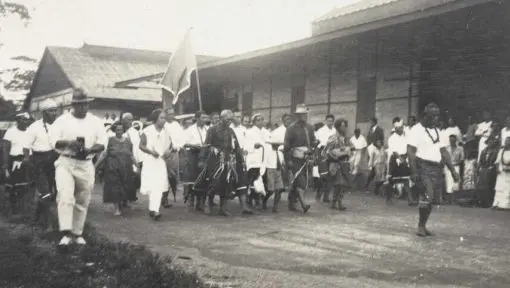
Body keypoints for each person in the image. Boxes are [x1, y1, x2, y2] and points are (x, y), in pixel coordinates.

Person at [51, 88, 107, 246]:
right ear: (73, 105)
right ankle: (66, 233)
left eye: (85, 104)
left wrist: (91, 149)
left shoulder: (95, 121)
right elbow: (53, 140)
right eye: (79, 104)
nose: (82, 107)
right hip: (66, 161)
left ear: (88, 105)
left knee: (83, 199)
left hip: (86, 163)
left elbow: (102, 142)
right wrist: (69, 143)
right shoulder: (62, 120)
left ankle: (77, 233)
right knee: (65, 195)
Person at [407, 103, 459, 237]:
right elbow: (411, 152)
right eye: (433, 116)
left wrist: (452, 170)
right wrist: (414, 171)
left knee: (431, 199)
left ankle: (423, 225)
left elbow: (444, 152)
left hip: (436, 168)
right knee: (427, 196)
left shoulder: (438, 131)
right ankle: (420, 226)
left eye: (437, 115)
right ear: (426, 116)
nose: (436, 118)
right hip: (422, 167)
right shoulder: (416, 130)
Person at [194, 110, 252, 216]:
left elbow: (237, 146)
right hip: (215, 160)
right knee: (214, 182)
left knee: (227, 183)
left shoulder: (231, 131)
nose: (230, 121)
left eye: (231, 119)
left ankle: (223, 208)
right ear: (221, 118)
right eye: (228, 119)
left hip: (228, 160)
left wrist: (241, 160)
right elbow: (207, 145)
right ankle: (207, 205)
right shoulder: (212, 130)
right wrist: (202, 159)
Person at [25, 99, 60, 226]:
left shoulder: (58, 126)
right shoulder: (34, 127)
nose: (54, 113)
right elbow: (26, 146)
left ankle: (35, 220)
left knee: (48, 192)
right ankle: (50, 225)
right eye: (51, 111)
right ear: (44, 113)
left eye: (55, 110)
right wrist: (27, 160)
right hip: (39, 161)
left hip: (54, 161)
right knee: (45, 193)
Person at [95, 122, 138, 216]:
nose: (119, 131)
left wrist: (137, 166)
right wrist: (96, 165)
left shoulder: (127, 141)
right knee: (115, 188)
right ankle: (116, 208)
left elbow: (131, 155)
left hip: (126, 168)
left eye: (121, 130)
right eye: (117, 130)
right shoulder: (110, 140)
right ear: (114, 130)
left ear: (124, 130)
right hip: (113, 167)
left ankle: (124, 203)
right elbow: (104, 154)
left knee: (125, 186)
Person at [139, 109, 171, 220]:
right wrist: (151, 152)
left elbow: (168, 146)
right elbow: (141, 146)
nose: (164, 120)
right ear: (155, 119)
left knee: (159, 185)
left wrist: (168, 152)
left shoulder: (166, 132)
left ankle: (154, 209)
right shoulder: (147, 131)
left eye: (165, 118)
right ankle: (153, 209)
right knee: (152, 185)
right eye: (161, 118)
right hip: (150, 161)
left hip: (160, 162)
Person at [284, 104, 315, 213]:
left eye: (305, 114)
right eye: (301, 115)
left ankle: (291, 202)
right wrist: (288, 160)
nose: (304, 116)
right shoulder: (291, 128)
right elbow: (286, 147)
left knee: (299, 181)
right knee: (300, 180)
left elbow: (313, 141)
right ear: (297, 116)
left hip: (307, 158)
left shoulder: (310, 127)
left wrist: (313, 147)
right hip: (295, 158)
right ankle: (303, 204)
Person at [3, 111, 31, 215]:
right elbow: (5, 149)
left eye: (27, 120)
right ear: (18, 121)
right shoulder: (10, 132)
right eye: (23, 119)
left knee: (24, 186)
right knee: (13, 186)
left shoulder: (30, 132)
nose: (26, 122)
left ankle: (23, 209)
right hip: (13, 160)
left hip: (26, 160)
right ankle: (14, 208)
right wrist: (5, 164)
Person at [182, 111, 208, 211]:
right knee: (193, 179)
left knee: (203, 178)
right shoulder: (190, 129)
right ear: (197, 118)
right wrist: (193, 145)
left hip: (204, 155)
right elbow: (184, 143)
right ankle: (191, 201)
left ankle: (200, 202)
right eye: (202, 118)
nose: (205, 120)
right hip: (193, 155)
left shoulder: (207, 129)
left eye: (206, 118)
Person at [323, 119, 351, 210]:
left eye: (345, 126)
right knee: (339, 183)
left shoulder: (346, 138)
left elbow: (352, 147)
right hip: (335, 163)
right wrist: (335, 156)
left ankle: (335, 202)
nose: (344, 128)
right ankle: (338, 202)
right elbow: (326, 151)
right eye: (342, 126)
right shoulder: (333, 138)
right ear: (338, 127)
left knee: (341, 184)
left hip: (344, 163)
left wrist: (347, 150)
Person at [387, 117, 415, 205]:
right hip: (395, 160)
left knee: (406, 180)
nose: (401, 129)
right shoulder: (392, 138)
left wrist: (406, 157)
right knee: (392, 180)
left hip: (404, 158)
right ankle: (388, 198)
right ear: (395, 128)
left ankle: (410, 199)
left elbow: (407, 148)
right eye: (399, 128)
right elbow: (394, 151)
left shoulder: (405, 137)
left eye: (402, 127)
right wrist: (400, 158)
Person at [245, 113, 267, 209]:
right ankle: (249, 200)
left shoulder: (265, 132)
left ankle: (257, 199)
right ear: (254, 122)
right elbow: (245, 147)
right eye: (258, 120)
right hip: (253, 160)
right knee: (252, 181)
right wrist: (254, 146)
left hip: (262, 160)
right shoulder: (250, 132)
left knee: (260, 180)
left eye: (262, 119)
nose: (261, 121)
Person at [163, 108, 183, 208]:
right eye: (169, 114)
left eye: (172, 114)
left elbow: (181, 138)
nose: (171, 116)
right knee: (164, 176)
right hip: (164, 154)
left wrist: (177, 147)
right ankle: (164, 198)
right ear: (165, 115)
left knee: (173, 175)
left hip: (174, 153)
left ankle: (170, 195)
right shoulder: (163, 125)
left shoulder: (176, 125)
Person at [263, 121, 286, 212]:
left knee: (279, 189)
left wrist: (282, 168)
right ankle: (264, 201)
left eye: (278, 144)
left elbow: (281, 162)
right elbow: (264, 162)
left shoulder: (280, 153)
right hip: (270, 170)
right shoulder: (268, 152)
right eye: (275, 144)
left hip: (278, 171)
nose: (277, 146)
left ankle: (275, 207)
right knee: (271, 190)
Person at [476, 131, 500, 208]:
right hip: (483, 169)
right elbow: (480, 161)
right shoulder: (483, 151)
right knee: (481, 185)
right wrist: (478, 168)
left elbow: (495, 161)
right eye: (489, 142)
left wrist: (491, 167)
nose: (490, 143)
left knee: (489, 186)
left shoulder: (495, 151)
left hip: (490, 169)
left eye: (491, 142)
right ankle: (480, 201)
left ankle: (488, 202)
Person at [493, 116, 510, 210]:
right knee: (499, 186)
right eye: (507, 120)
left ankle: (506, 205)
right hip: (502, 170)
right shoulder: (503, 130)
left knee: (507, 187)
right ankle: (497, 203)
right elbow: (497, 162)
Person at [444, 135, 464, 204]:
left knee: (456, 183)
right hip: (448, 167)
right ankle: (449, 200)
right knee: (448, 183)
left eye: (453, 140)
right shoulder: (447, 148)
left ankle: (454, 199)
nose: (452, 141)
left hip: (456, 166)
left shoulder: (460, 148)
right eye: (450, 140)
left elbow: (462, 159)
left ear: (456, 140)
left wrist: (456, 164)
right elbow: (444, 158)